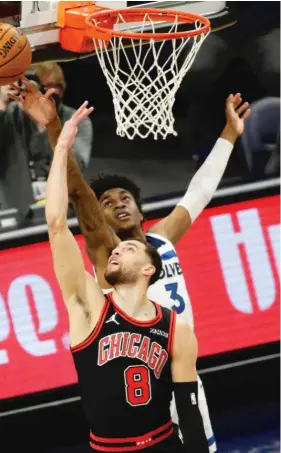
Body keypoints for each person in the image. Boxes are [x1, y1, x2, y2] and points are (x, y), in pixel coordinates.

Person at [11, 82, 250, 453]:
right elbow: (77, 194)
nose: (118, 205)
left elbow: (199, 192)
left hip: (181, 368)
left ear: (140, 210)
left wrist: (229, 135)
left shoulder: (162, 239)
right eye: (107, 203)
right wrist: (56, 127)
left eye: (125, 198)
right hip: (142, 384)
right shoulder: (108, 252)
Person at [45, 101, 210, 452]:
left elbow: (189, 412)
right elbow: (57, 223)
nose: (117, 250)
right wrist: (60, 146)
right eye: (116, 250)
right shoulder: (89, 308)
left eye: (129, 250)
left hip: (164, 443)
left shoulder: (176, 330)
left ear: (150, 269)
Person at [0, 62, 93, 214]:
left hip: (64, 212)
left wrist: (49, 124)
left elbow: (77, 166)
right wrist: (1, 103)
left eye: (50, 86)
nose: (41, 93)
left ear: (61, 90)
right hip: (17, 215)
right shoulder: (9, 116)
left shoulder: (77, 119)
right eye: (36, 86)